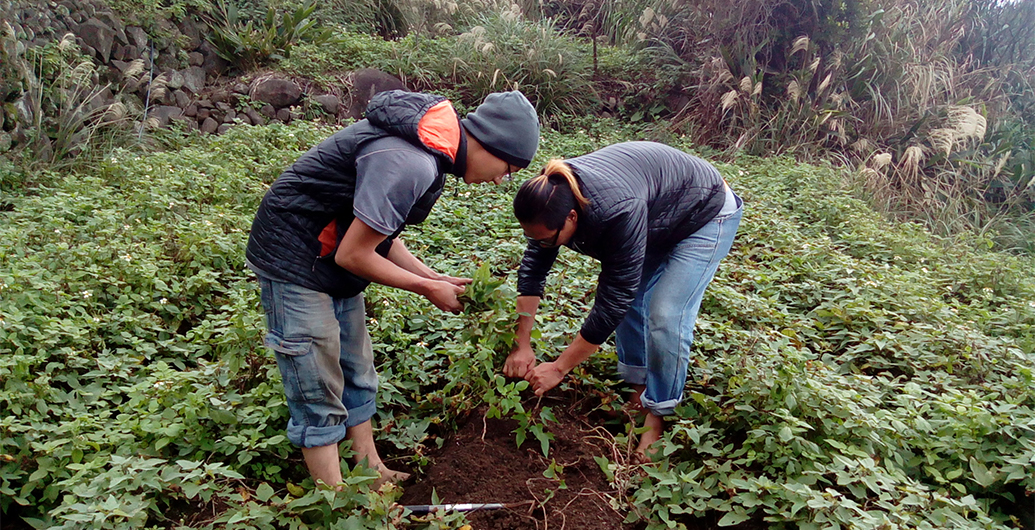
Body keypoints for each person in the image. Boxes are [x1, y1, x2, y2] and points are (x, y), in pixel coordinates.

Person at [247, 89, 540, 488]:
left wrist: (433, 276)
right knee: (316, 378)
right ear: (490, 143)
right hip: (295, 253)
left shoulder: (432, 155)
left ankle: (371, 472)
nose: (501, 180)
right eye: (508, 168)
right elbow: (354, 254)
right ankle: (336, 499)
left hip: (331, 248)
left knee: (356, 366)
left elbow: (380, 232)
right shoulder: (412, 162)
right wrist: (425, 288)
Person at [502, 141, 742, 459]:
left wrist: (559, 369)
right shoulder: (548, 202)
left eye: (546, 238)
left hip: (704, 213)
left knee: (665, 314)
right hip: (656, 214)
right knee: (633, 302)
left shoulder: (615, 211)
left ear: (572, 217)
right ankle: (639, 388)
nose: (540, 244)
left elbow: (613, 299)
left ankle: (658, 414)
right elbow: (533, 272)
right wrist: (522, 344)